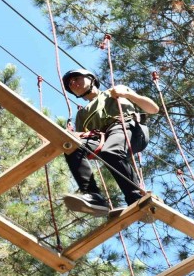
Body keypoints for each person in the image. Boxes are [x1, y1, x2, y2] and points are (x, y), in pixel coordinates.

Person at [61, 69, 159, 217]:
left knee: (111, 152)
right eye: (70, 84)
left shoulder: (114, 92)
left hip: (127, 127)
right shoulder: (82, 114)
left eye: (76, 78)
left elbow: (153, 109)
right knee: (72, 146)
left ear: (91, 79)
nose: (73, 83)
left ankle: (136, 198)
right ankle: (94, 197)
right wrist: (64, 136)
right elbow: (82, 137)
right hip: (102, 138)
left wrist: (127, 94)